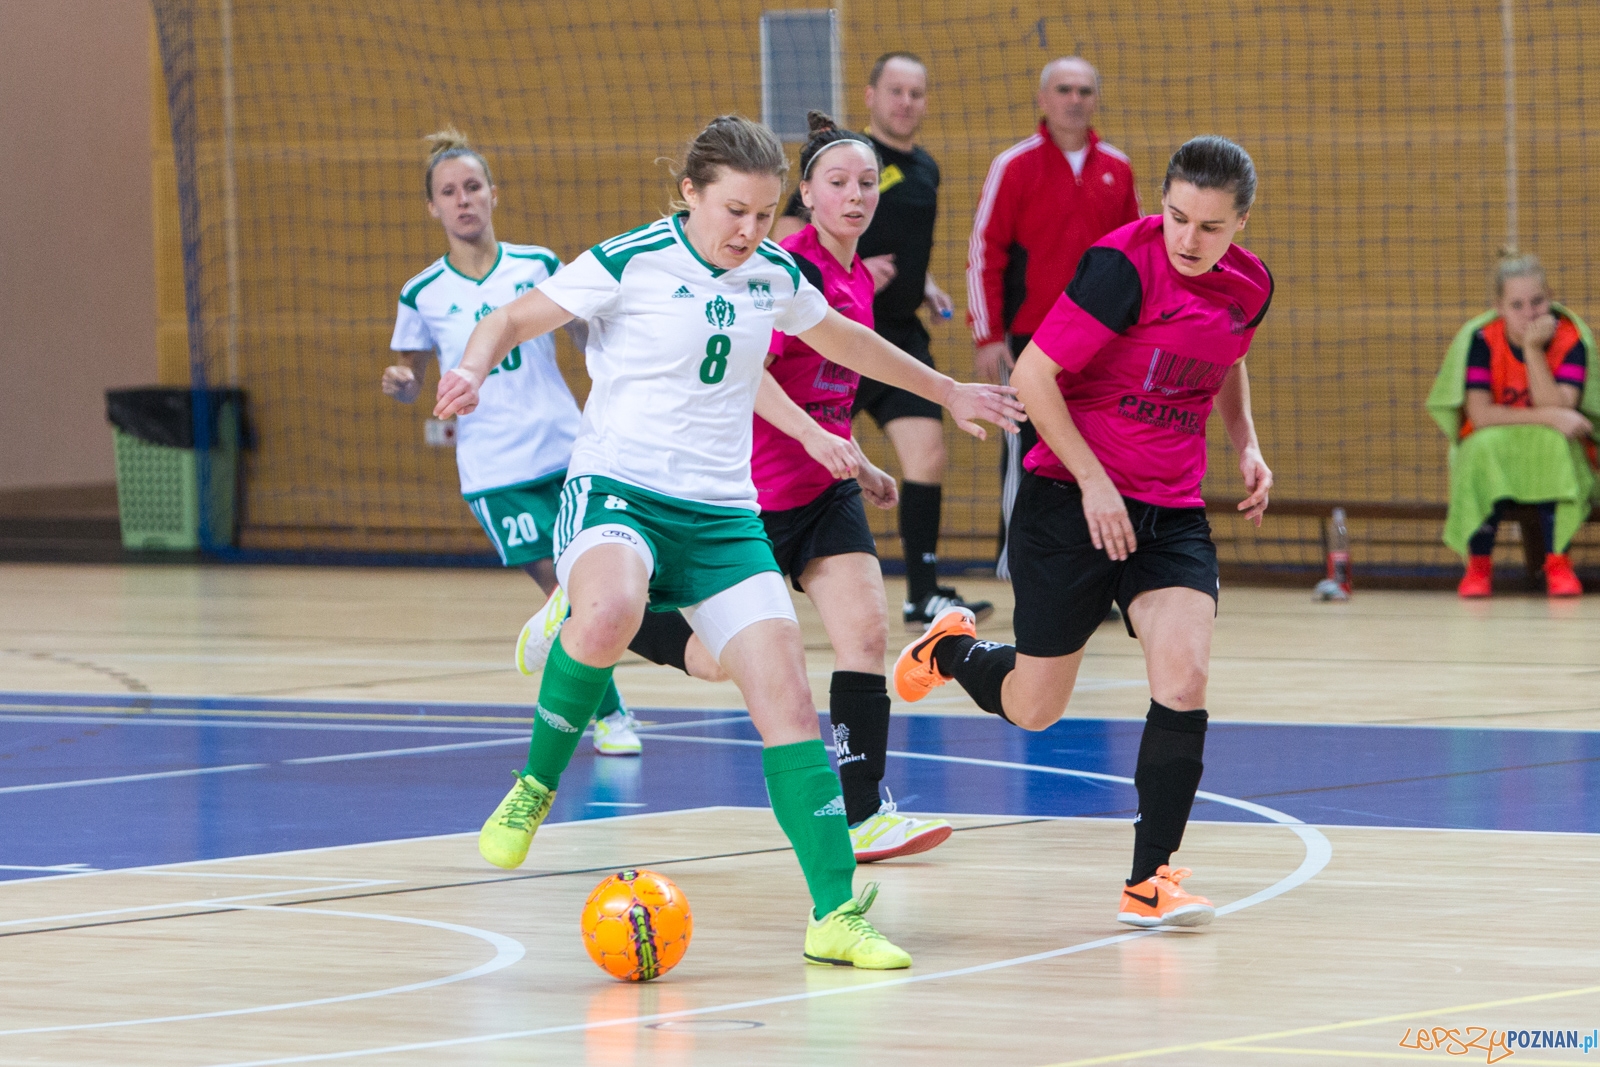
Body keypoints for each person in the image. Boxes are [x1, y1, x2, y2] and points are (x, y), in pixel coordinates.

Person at [435, 115, 1022, 969]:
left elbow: (844, 338)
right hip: (618, 490)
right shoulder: (629, 260)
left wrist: (945, 389)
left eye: (762, 212)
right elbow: (512, 318)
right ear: (690, 194)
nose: (748, 230)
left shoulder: (774, 273)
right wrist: (470, 368)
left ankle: (834, 914)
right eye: (733, 212)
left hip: (722, 514)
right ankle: (532, 787)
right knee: (608, 609)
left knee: (784, 694)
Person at [898, 136, 1273, 930]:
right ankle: (953, 648)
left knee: (1185, 676)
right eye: (1176, 217)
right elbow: (1032, 375)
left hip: (1168, 511)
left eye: (1209, 227)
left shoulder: (1249, 285)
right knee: (1034, 708)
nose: (1188, 239)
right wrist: (1096, 481)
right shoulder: (1123, 266)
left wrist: (1246, 444)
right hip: (1070, 498)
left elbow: (1229, 355)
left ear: (1241, 222)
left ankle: (1150, 878)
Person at [382, 130, 720, 758]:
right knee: (562, 592)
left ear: (493, 194)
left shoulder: (535, 265)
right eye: (449, 192)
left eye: (472, 187)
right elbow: (411, 376)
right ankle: (611, 715)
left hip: (569, 449)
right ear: (432, 208)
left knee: (585, 590)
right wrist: (400, 383)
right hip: (493, 469)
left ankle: (598, 694)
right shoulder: (422, 291)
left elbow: (579, 334)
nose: (463, 200)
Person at [753, 111, 954, 862]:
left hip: (823, 491)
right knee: (702, 650)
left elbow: (834, 388)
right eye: (837, 181)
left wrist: (859, 461)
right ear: (805, 191)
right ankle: (580, 608)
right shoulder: (787, 268)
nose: (856, 195)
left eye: (867, 182)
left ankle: (863, 813)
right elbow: (748, 381)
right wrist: (815, 437)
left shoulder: (854, 276)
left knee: (866, 632)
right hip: (753, 493)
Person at [775, 52, 991, 631]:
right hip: (824, 336)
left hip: (889, 330)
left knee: (927, 452)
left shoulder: (924, 170)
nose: (906, 102)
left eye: (917, 93)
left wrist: (923, 282)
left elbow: (902, 244)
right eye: (895, 91)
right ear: (870, 96)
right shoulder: (839, 165)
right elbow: (788, 238)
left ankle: (922, 591)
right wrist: (849, 273)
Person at [967, 57, 1141, 578]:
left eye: (1085, 90)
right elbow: (985, 250)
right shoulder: (1014, 166)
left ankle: (1096, 565)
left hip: (1101, 344)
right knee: (1025, 450)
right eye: (1064, 89)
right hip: (1027, 341)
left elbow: (1135, 256)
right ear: (1043, 99)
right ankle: (1020, 563)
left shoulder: (1118, 167)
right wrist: (987, 335)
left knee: (1100, 444)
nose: (1075, 99)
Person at [1426, 250, 1598, 597]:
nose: (1529, 313)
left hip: (1552, 451)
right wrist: (1550, 417)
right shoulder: (1481, 340)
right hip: (1498, 447)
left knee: (1554, 445)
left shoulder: (1570, 340)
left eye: (1537, 301)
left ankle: (1557, 561)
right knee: (1479, 447)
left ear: (1550, 299)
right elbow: (1481, 415)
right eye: (1517, 305)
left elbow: (1564, 409)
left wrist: (1533, 350)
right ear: (1499, 307)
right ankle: (1478, 566)